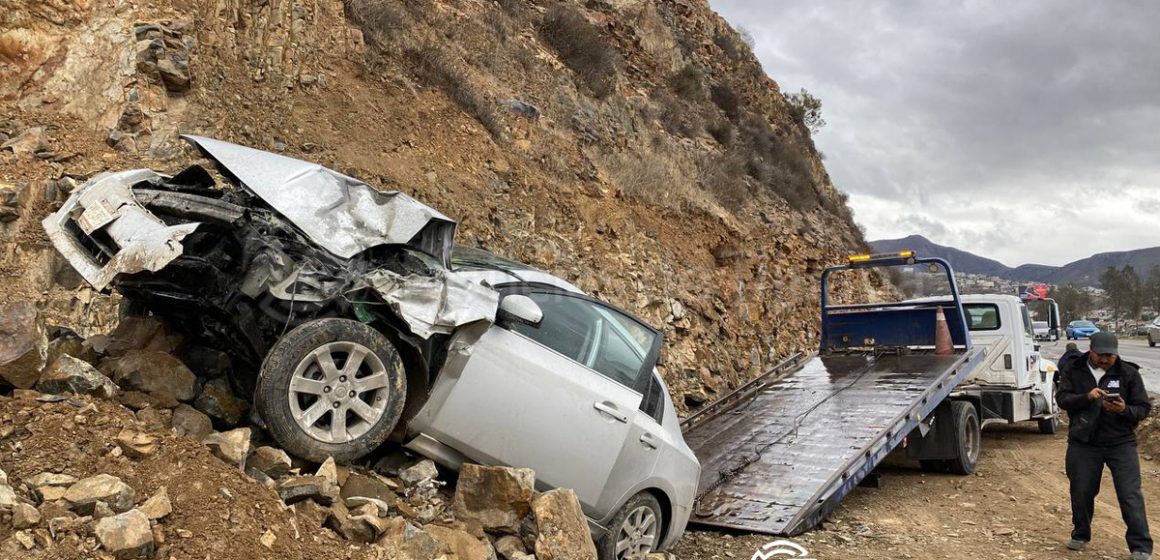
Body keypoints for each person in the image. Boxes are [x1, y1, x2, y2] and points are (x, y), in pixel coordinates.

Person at [1056, 332, 1153, 559]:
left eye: (1109, 356)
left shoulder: (1128, 373)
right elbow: (1062, 399)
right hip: (1084, 442)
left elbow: (1143, 408)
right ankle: (1081, 534)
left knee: (1130, 494)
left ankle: (1140, 546)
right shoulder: (1074, 370)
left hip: (1121, 442)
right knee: (1081, 490)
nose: (1104, 360)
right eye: (1100, 355)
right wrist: (1087, 397)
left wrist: (1124, 410)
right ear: (1091, 350)